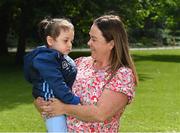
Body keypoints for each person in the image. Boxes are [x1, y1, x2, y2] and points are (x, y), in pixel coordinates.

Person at [35, 14, 138, 132]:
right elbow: (53, 87)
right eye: (90, 37)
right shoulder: (79, 63)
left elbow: (100, 114)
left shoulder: (122, 75)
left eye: (94, 39)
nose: (89, 43)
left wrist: (63, 108)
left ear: (111, 44)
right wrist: (43, 103)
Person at [23, 17, 81, 132]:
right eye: (65, 40)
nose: (70, 45)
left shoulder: (60, 56)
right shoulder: (46, 59)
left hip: (60, 102)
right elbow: (57, 83)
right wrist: (74, 100)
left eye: (71, 41)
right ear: (50, 41)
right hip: (51, 104)